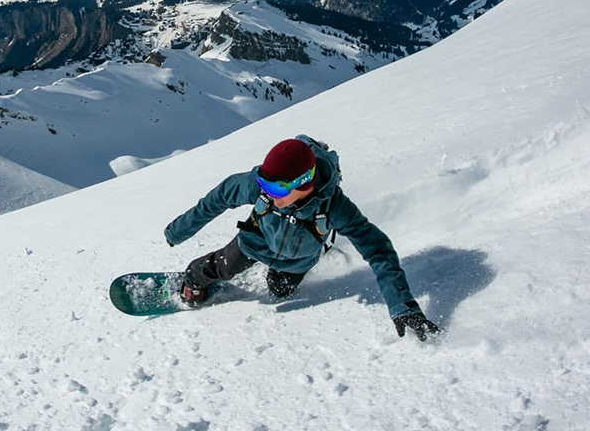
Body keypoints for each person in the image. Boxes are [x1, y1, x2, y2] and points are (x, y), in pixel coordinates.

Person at [164, 135, 440, 341]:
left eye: (275, 188)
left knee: (280, 291)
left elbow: (377, 249)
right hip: (255, 241)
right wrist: (178, 231)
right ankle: (194, 278)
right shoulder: (259, 184)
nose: (267, 192)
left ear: (303, 183)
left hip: (298, 260)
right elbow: (216, 199)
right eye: (263, 183)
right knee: (222, 267)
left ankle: (313, 252)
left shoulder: (333, 205)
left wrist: (402, 304)